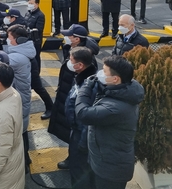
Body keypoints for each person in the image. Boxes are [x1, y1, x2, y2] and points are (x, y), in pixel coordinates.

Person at [76, 56, 144, 189]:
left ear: (115, 79)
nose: (100, 73)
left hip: (110, 170)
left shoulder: (116, 108)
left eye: (104, 71)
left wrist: (85, 88)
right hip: (103, 159)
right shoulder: (123, 87)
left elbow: (83, 114)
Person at [48, 24, 100, 167]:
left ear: (77, 39)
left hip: (73, 100)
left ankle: (73, 160)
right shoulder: (71, 50)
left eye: (69, 35)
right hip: (66, 94)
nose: (65, 38)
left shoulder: (86, 57)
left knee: (74, 133)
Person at [0, 24, 36, 169]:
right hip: (22, 97)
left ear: (18, 40)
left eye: (9, 37)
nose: (7, 39)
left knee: (19, 132)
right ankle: (25, 160)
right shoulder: (24, 51)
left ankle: (23, 163)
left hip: (18, 99)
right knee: (22, 130)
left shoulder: (17, 58)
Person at [64, 47, 97, 189]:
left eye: (71, 61)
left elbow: (87, 120)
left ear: (80, 65)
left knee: (79, 170)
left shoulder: (90, 86)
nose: (69, 63)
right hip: (76, 131)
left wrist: (83, 144)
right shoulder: (81, 78)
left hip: (81, 136)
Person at [24, 0, 45, 68]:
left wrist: (29, 31)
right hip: (27, 40)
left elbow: (39, 29)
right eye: (29, 3)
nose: (30, 5)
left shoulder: (40, 15)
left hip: (35, 41)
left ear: (37, 4)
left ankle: (37, 73)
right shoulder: (28, 13)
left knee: (36, 58)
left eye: (31, 3)